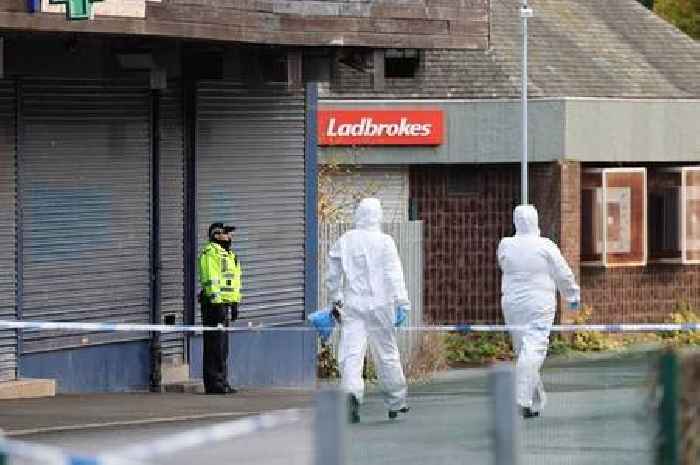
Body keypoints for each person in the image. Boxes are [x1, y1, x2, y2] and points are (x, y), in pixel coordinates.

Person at [326, 198, 411, 423]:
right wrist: (402, 303)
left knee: (351, 353)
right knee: (387, 353)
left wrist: (336, 297)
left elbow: (333, 271)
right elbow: (394, 274)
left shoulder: (346, 240)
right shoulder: (385, 242)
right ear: (378, 215)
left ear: (358, 215)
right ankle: (396, 401)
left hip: (353, 305)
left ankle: (351, 393)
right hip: (381, 305)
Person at [497, 205, 580, 418]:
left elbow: (503, 264)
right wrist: (572, 296)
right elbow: (563, 272)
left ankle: (533, 401)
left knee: (523, 350)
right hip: (540, 304)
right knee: (533, 349)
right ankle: (522, 398)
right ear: (536, 220)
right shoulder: (545, 246)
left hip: (512, 304)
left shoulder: (506, 245)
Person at [197, 222, 242, 394]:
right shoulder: (210, 253)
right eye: (226, 233)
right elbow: (211, 279)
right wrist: (216, 302)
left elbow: (235, 281)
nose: (230, 237)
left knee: (223, 347)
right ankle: (213, 384)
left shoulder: (230, 255)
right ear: (216, 235)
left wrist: (235, 303)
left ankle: (222, 381)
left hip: (225, 305)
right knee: (214, 345)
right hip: (213, 304)